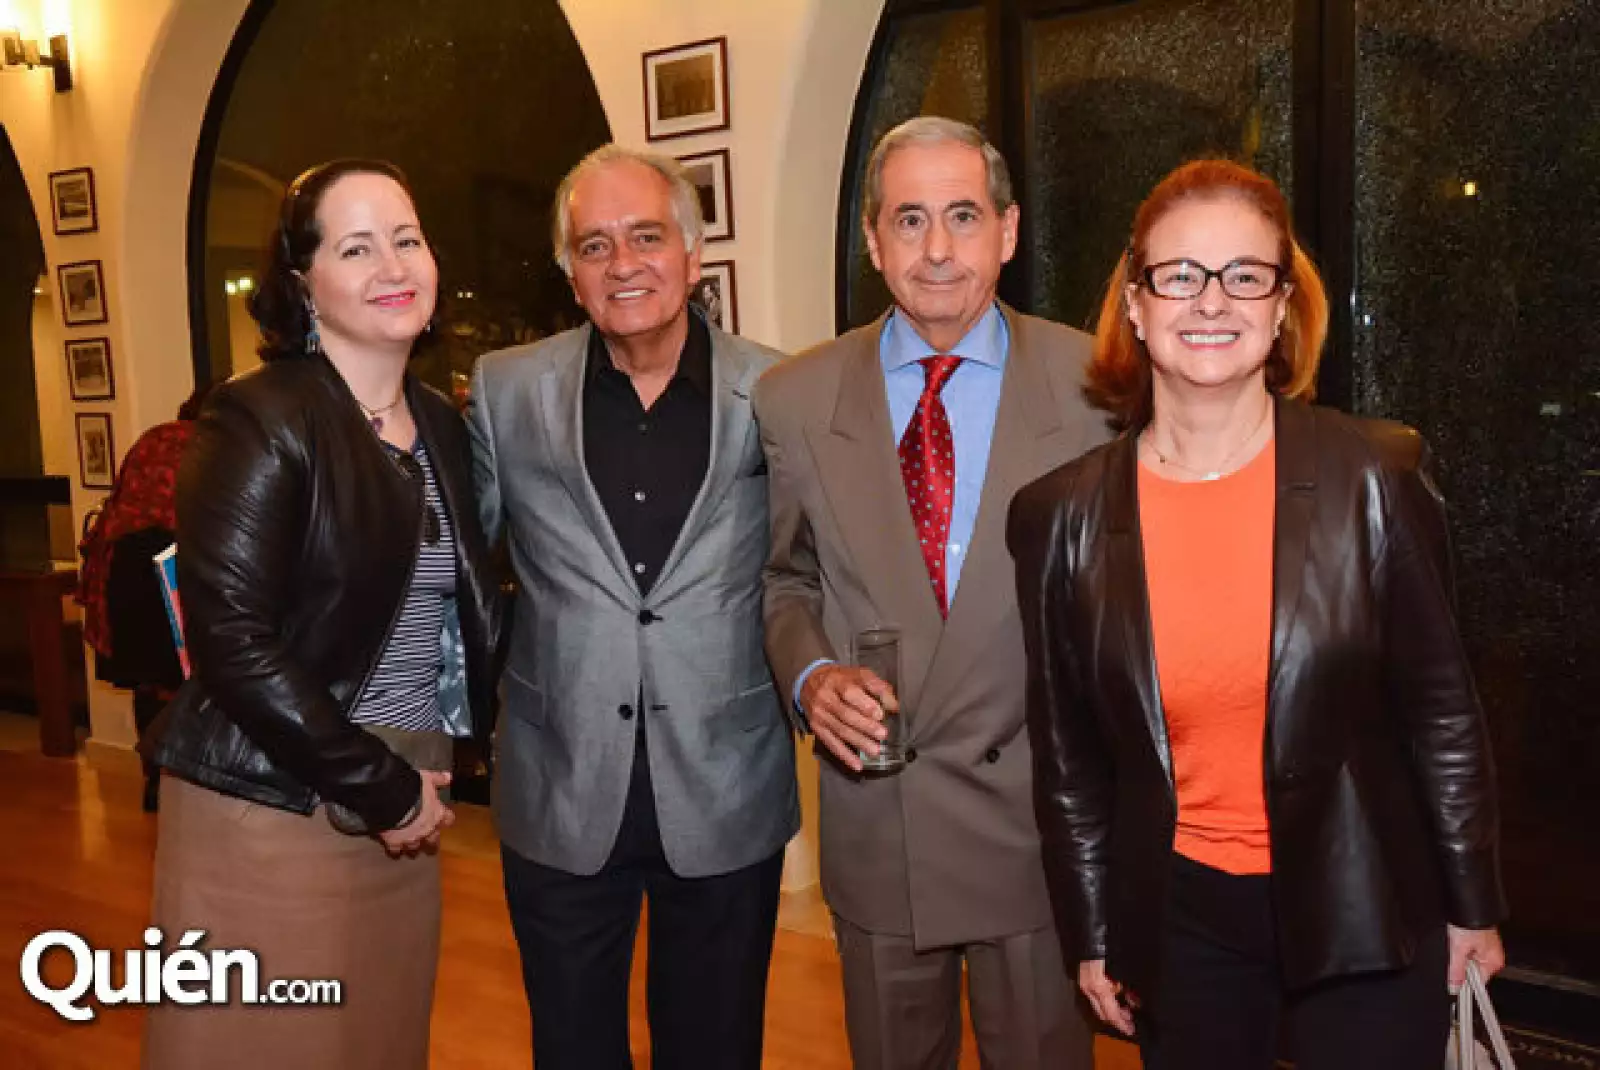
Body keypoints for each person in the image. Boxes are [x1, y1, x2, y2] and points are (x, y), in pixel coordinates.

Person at [1007, 158, 1506, 1070]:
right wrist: (1091, 928)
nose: (1211, 302)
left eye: (1245, 276)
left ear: (1280, 307)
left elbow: (1443, 710)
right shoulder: (1059, 518)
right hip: (1180, 921)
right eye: (1180, 276)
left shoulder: (1375, 478)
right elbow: (1070, 757)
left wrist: (1471, 900)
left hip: (1365, 900)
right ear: (1135, 302)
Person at [755, 116, 1107, 1069]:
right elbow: (786, 577)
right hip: (881, 814)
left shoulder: (1098, 385)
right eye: (909, 220)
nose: (938, 249)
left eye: (963, 215)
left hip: (1036, 818)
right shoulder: (793, 398)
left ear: (1009, 228)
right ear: (872, 241)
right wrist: (812, 675)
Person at [140, 158, 499, 1070]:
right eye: (356, 247)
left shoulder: (443, 425)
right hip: (271, 803)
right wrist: (376, 784)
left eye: (407, 239)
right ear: (303, 284)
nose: (393, 265)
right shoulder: (257, 418)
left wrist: (427, 769)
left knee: (377, 1042)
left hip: (405, 800)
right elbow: (233, 644)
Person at [468, 144, 798, 1070]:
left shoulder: (779, 391)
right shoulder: (505, 391)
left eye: (647, 237)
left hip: (726, 780)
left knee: (716, 1047)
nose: (623, 265)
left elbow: (808, 568)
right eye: (594, 245)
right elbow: (454, 570)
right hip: (558, 779)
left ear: (694, 255)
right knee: (572, 1049)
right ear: (571, 274)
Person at [76, 383, 210, 812]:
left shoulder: (155, 437)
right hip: (174, 570)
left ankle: (154, 779)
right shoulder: (214, 443)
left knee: (149, 683)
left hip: (126, 570)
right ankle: (189, 784)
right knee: (188, 682)